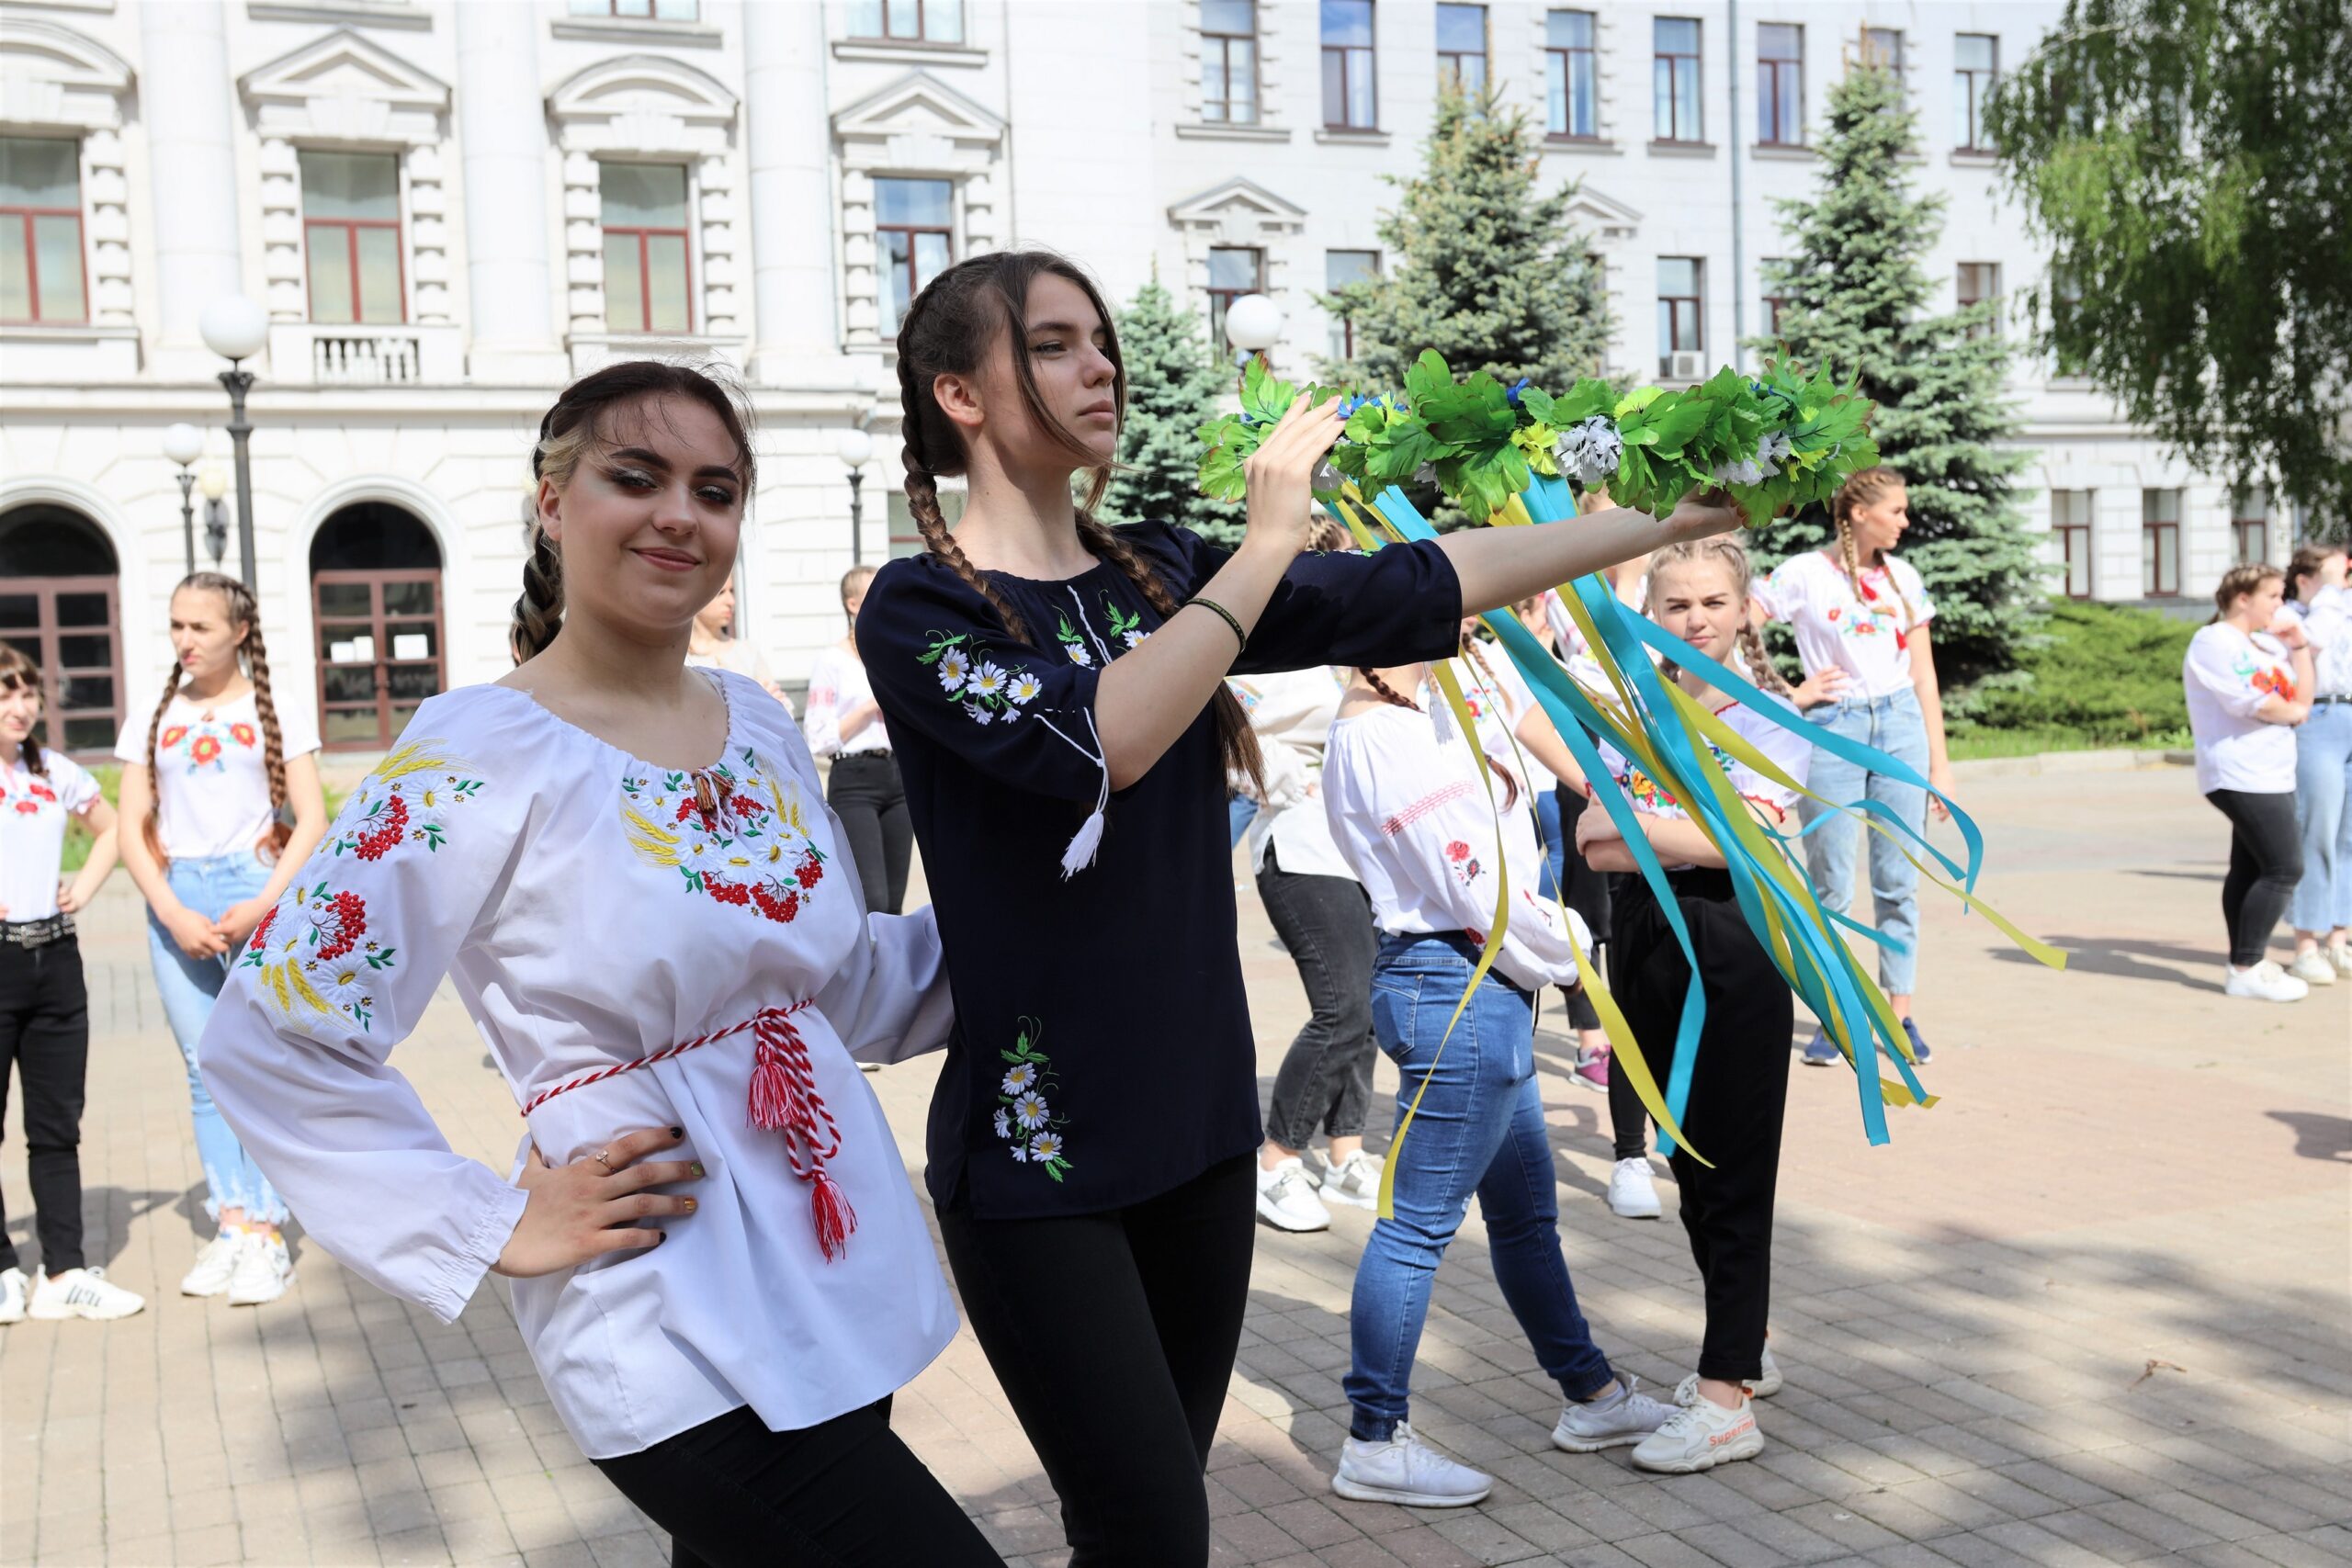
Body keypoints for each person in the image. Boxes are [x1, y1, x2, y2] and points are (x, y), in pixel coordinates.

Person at [854, 248, 1740, 1564]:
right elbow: (1109, 734)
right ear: (960, 396)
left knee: (1155, 1522)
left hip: (1201, 1131)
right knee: (1146, 1520)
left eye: (1100, 338)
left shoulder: (1154, 568)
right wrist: (1267, 545)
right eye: (1051, 343)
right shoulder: (919, 608)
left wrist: (1660, 522)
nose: (1099, 363)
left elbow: (1415, 582)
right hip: (1040, 1159)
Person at [198, 361, 1001, 1568]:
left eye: (715, 488)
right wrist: (486, 1217)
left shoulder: (763, 722)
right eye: (638, 475)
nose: (681, 511)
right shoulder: (479, 747)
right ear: (553, 501)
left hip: (826, 1243)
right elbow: (278, 1027)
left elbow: (842, 983)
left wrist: (1049, 930)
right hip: (664, 1290)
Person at [1318, 658, 1676, 1507]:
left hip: (1484, 985)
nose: (1476, 619)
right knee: (1415, 1228)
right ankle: (1374, 1438)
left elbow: (1527, 731)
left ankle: (1591, 1395)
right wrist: (1571, 955)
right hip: (1460, 983)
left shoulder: (1443, 681)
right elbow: (1476, 886)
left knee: (1525, 1215)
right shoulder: (1378, 732)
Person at [1574, 536, 1812, 1473]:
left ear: (1745, 609)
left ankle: (1725, 1398)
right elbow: (1594, 839)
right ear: (1648, 613)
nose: (1695, 619)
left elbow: (1757, 844)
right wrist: (1690, 832)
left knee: (1736, 1164)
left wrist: (1669, 833)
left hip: (1731, 942)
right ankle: (1739, 1342)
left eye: (1713, 601)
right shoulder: (1630, 711)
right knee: (1689, 1162)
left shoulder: (1769, 716)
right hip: (1642, 936)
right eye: (1675, 605)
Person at [114, 571, 327, 1307]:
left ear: (238, 631)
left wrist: (263, 905)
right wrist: (170, 910)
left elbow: (312, 818)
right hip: (181, 899)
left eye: (199, 627)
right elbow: (131, 825)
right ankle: (230, 1223)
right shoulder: (154, 711)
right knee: (204, 1068)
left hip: (254, 892)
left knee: (258, 1064)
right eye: (176, 625)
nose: (184, 640)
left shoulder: (277, 707)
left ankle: (268, 1231)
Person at [1759, 468, 1952, 1067]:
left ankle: (1899, 1014)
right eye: (1896, 510)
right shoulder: (1803, 573)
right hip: (1832, 730)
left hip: (1899, 728)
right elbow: (1742, 622)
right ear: (1860, 513)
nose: (1906, 521)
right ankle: (1837, 1014)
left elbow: (1924, 675)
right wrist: (1789, 689)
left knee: (1898, 881)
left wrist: (1940, 767)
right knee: (1832, 886)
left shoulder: (1904, 578)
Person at [0, 649, 143, 1324]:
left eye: (29, 693)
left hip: (55, 960)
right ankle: (3, 1267)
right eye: (7, 691)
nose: (22, 705)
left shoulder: (52, 771)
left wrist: (82, 888)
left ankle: (61, 1271)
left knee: (55, 1128)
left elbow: (117, 827)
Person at [1235, 648, 1380, 1232]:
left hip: (1366, 852)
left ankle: (1345, 1153)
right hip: (1301, 845)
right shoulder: (1272, 650)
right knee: (1344, 1005)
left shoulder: (1374, 647)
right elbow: (1222, 720)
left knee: (1368, 1010)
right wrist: (1291, 782)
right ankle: (1277, 1159)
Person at [2183, 563, 2315, 1001]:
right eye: (2274, 596)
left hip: (2273, 769)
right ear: (2244, 599)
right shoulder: (2214, 641)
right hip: (2239, 771)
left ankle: (2243, 961)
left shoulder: (2262, 644)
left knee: (2252, 866)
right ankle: (2246, 966)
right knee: (2284, 867)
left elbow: (2300, 701)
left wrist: (2298, 649)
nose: (2281, 605)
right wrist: (2291, 711)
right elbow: (2254, 703)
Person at [806, 563, 911, 916]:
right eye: (874, 590)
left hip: (899, 776)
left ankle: (891, 973)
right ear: (853, 604)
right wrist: (869, 708)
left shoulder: (895, 653)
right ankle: (863, 970)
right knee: (873, 901)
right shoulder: (831, 660)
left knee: (895, 902)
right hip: (854, 780)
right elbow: (818, 738)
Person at [2282, 543, 2352, 984]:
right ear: (2304, 580)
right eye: (2330, 576)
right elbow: (2316, 644)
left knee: (2350, 837)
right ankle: (2306, 943)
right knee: (2317, 832)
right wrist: (2331, 590)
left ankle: (2339, 940)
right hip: (2318, 718)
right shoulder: (2292, 616)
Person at [686, 578, 794, 717]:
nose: (731, 601)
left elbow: (783, 711)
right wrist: (756, 706)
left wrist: (769, 705)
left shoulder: (748, 652)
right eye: (720, 593)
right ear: (695, 596)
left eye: (732, 591)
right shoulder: (683, 659)